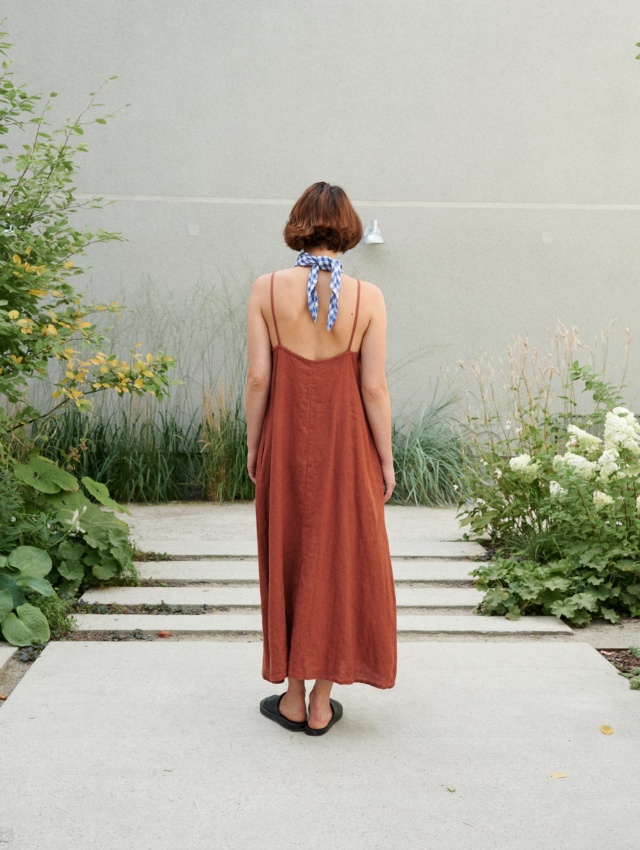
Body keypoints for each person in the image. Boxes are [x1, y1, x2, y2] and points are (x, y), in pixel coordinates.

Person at [245, 181, 397, 737]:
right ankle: (321, 703)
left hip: (285, 444)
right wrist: (385, 459)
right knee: (339, 556)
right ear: (349, 229)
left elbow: (259, 377)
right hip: (347, 447)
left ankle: (291, 696)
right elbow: (374, 388)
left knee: (288, 551)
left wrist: (252, 443)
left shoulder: (266, 289)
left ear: (298, 224)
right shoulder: (368, 297)